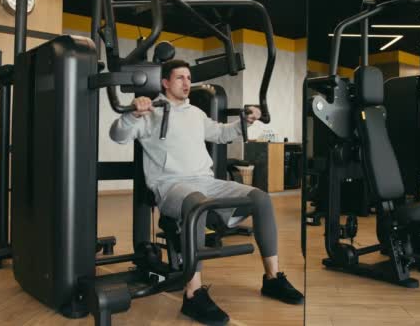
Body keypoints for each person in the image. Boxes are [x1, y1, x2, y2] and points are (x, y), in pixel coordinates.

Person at [110, 59, 303, 325]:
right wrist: (132, 114)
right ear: (165, 82)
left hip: (206, 180)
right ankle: (193, 293)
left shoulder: (195, 113)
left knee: (260, 198)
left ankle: (272, 278)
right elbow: (118, 135)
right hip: (171, 186)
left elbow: (222, 133)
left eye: (189, 78)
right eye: (180, 78)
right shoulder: (150, 112)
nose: (187, 82)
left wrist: (243, 121)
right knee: (196, 203)